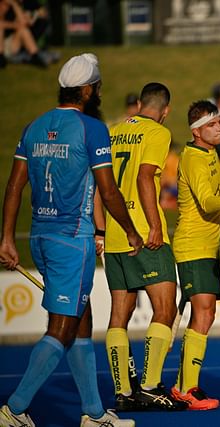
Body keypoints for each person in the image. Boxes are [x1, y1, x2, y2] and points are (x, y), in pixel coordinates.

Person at [0, 52, 142, 427]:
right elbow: (109, 192)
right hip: (72, 239)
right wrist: (129, 230)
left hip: (41, 239)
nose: (98, 92)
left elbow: (14, 186)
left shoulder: (34, 125)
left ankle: (93, 413)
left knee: (81, 320)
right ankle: (14, 409)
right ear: (86, 90)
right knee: (61, 330)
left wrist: (6, 239)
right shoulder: (92, 129)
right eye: (97, 87)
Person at [100, 82, 188, 413]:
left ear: (138, 103)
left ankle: (123, 391)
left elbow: (100, 183)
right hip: (143, 234)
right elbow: (144, 176)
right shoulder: (157, 133)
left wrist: (100, 229)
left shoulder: (113, 130)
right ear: (165, 110)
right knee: (165, 309)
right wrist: (153, 224)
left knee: (118, 316)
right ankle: (150, 386)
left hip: (114, 234)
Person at [170, 100, 220, 410]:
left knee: (204, 314)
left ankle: (184, 384)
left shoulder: (210, 153)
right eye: (213, 124)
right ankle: (187, 388)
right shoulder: (194, 158)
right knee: (204, 313)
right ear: (197, 131)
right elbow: (209, 202)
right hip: (193, 245)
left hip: (207, 247)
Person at [0, 0, 48, 68]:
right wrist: (15, 25)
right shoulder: (4, 4)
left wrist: (14, 4)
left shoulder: (14, 7)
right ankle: (1, 58)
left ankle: (35, 56)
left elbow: (23, 23)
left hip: (8, 44)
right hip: (3, 44)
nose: (4, 8)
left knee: (23, 30)